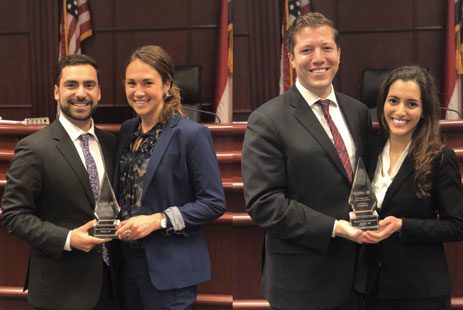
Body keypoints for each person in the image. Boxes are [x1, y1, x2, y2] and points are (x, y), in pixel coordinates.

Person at [241, 12, 371, 310]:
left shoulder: (358, 112)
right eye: (306, 50)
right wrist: (336, 227)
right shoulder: (266, 120)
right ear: (291, 58)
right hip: (302, 282)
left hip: (358, 276)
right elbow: (264, 204)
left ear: (339, 52)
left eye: (326, 48)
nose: (318, 58)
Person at [1, 54, 119, 309]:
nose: (81, 93)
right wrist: (67, 238)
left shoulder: (111, 143)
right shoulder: (33, 148)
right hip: (60, 292)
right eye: (71, 85)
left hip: (111, 287)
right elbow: (13, 216)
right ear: (56, 92)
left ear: (99, 92)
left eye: (89, 85)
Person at [113, 45, 225, 309]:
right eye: (131, 83)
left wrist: (158, 220)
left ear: (166, 86)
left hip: (171, 271)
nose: (138, 91)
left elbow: (213, 202)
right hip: (127, 267)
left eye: (147, 83)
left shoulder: (192, 134)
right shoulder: (128, 130)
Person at [354, 66, 463, 309]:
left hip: (420, 292)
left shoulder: (440, 157)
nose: (400, 111)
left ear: (424, 110)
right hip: (373, 287)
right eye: (393, 101)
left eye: (412, 104)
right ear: (382, 103)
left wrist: (403, 225)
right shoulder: (370, 150)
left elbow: (458, 226)